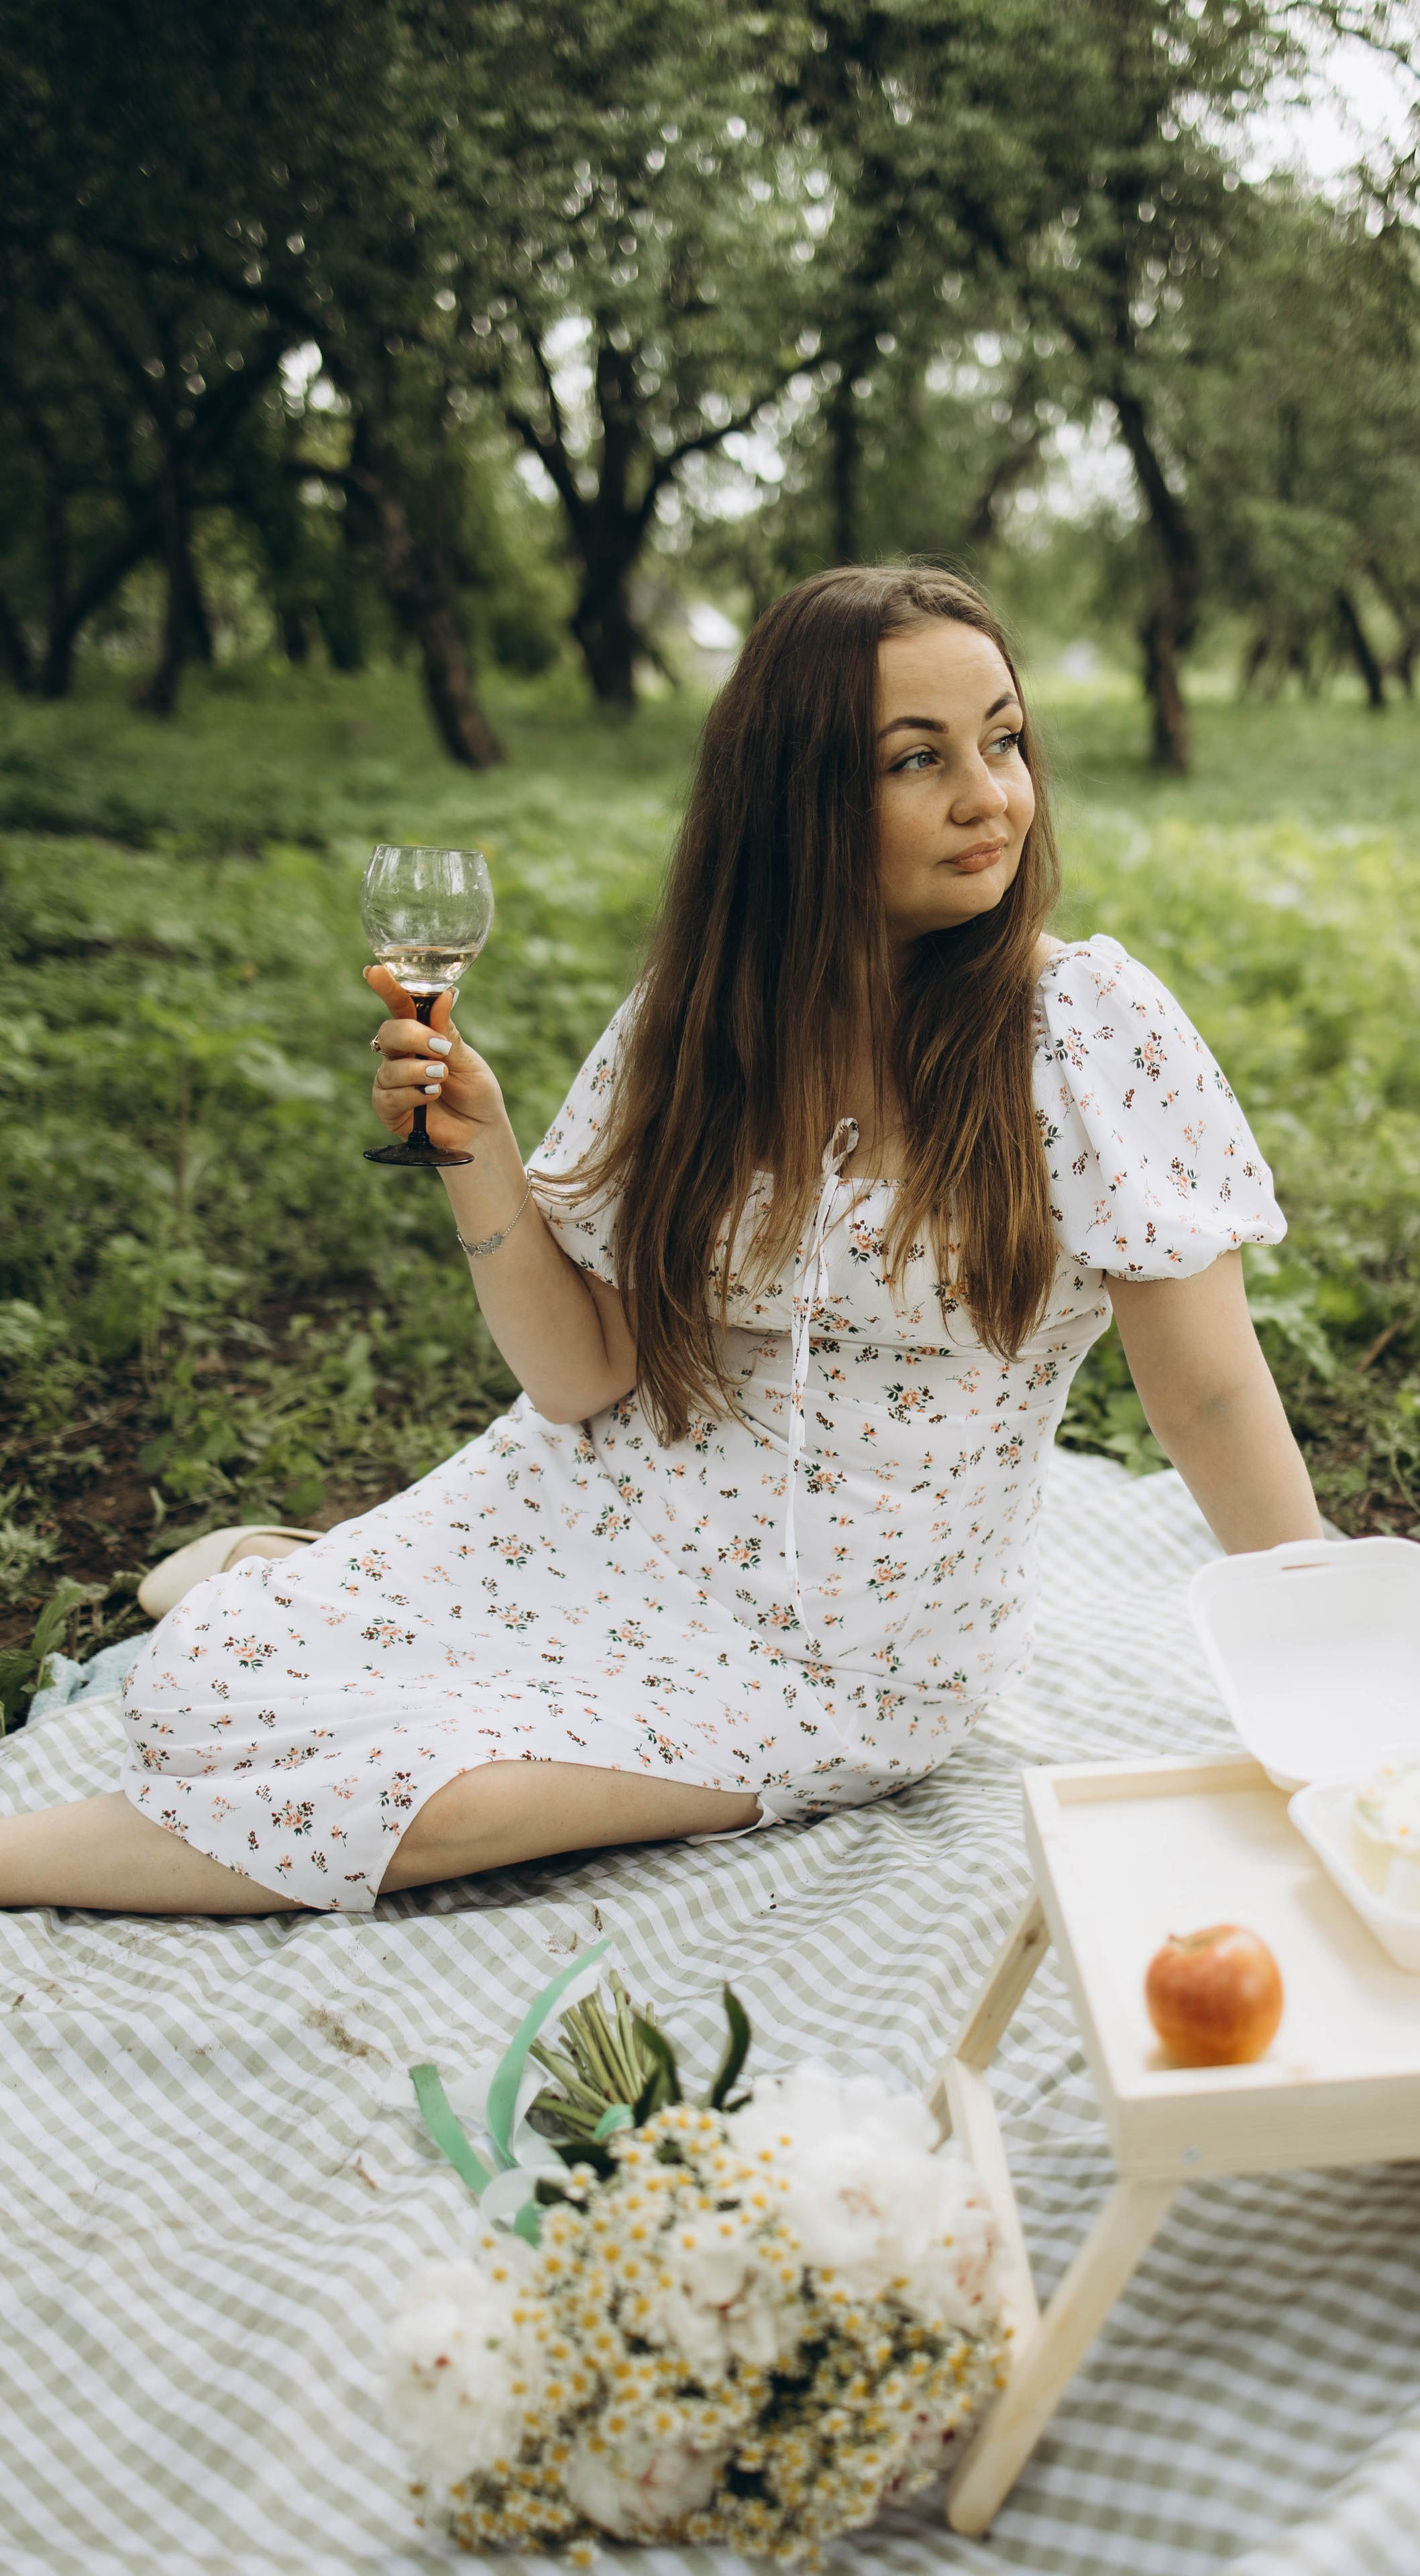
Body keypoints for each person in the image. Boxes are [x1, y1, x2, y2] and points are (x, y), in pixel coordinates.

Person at [0, 566, 1319, 1916]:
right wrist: (478, 1152)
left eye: (1002, 739)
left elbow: (1208, 1392)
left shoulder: (1086, 1029)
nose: (989, 796)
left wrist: (1332, 1669)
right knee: (241, 1678)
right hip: (606, 1516)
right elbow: (583, 1379)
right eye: (914, 761)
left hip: (849, 1659)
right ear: (795, 803)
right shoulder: (694, 1023)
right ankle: (292, 1572)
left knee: (441, 1801)